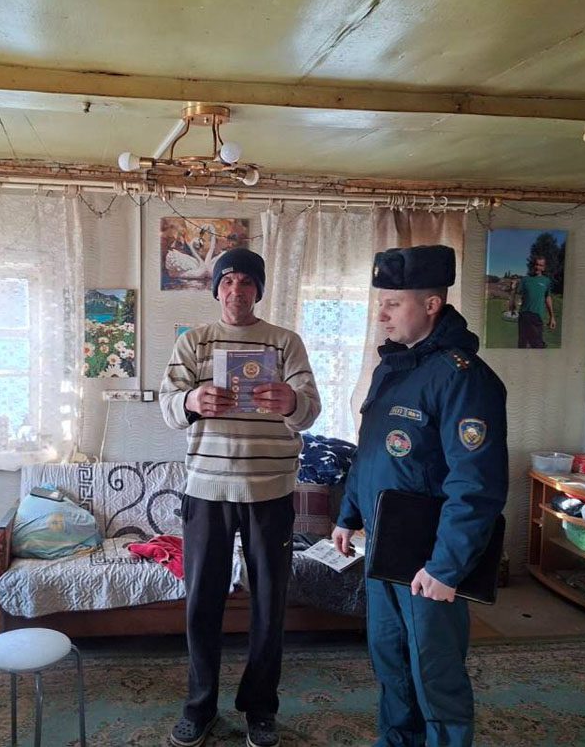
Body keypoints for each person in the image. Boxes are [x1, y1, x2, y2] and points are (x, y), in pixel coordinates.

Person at [332, 245, 508, 747]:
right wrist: (348, 514)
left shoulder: (463, 378)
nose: (381, 315)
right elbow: (370, 454)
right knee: (389, 658)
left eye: (393, 304)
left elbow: (476, 485)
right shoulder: (393, 367)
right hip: (382, 546)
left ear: (431, 305)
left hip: (428, 556)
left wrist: (446, 568)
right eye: (380, 304)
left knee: (434, 670)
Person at [160, 247, 321, 747]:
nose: (236, 290)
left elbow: (310, 410)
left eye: (246, 282)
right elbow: (167, 407)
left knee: (270, 604)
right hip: (207, 489)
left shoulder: (285, 342)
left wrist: (291, 401)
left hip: (271, 490)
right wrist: (191, 399)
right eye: (227, 281)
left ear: (259, 290)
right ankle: (199, 706)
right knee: (201, 604)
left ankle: (260, 708)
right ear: (216, 290)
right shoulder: (194, 342)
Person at [511, 254, 555, 348]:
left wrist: (552, 317)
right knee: (522, 345)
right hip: (524, 316)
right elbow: (516, 295)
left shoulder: (546, 281)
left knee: (537, 345)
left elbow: (548, 298)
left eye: (540, 265)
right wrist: (513, 288)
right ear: (533, 265)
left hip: (537, 317)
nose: (537, 267)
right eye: (536, 264)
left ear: (544, 268)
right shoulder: (525, 279)